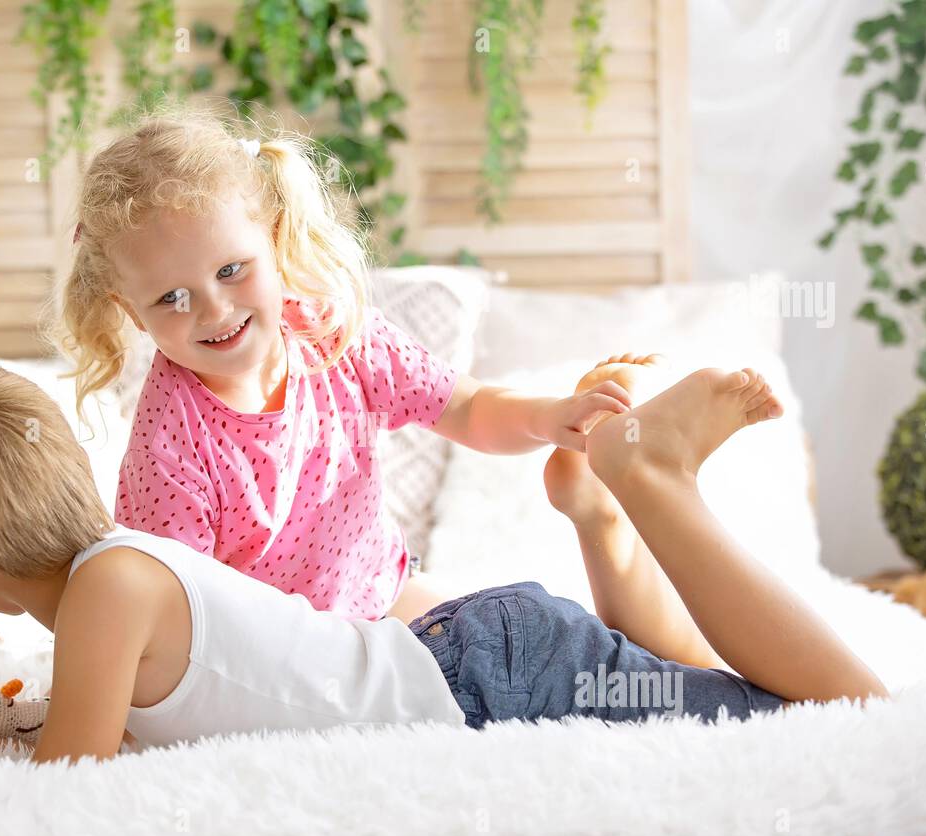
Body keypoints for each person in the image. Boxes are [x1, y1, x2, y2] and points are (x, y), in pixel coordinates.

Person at [0, 363, 889, 764]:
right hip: (486, 654)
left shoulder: (109, 587)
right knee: (716, 686)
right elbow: (66, 730)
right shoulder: (120, 570)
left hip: (486, 680)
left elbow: (61, 779)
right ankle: (602, 519)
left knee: (839, 710)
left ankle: (653, 480)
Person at [50, 99, 630, 625]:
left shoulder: (332, 332)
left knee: (518, 630)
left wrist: (550, 417)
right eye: (172, 299)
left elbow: (468, 408)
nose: (214, 309)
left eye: (231, 271)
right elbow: (177, 614)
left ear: (274, 240)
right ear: (131, 309)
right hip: (276, 654)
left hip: (386, 595)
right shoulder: (168, 450)